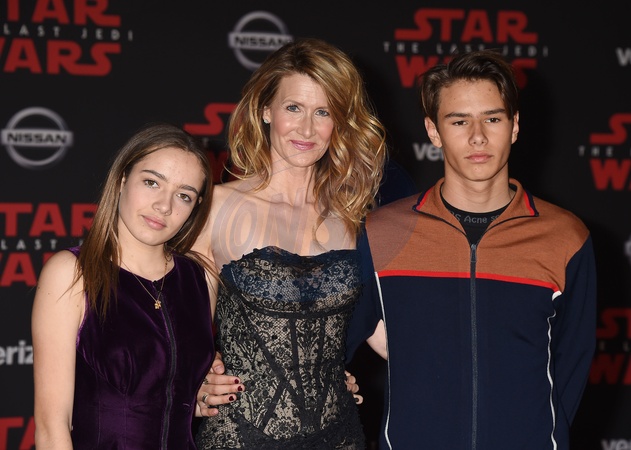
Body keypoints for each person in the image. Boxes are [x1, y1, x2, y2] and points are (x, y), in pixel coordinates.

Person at [346, 49, 597, 449]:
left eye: (492, 119)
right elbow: (329, 344)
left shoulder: (565, 237)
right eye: (459, 121)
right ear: (433, 132)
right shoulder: (383, 232)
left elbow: (572, 364)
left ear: (514, 126)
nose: (477, 136)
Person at [193, 38, 387, 448]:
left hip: (339, 436)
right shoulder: (217, 207)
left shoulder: (356, 218)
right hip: (242, 437)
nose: (307, 129)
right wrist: (197, 380)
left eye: (323, 112)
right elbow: (181, 330)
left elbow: (388, 336)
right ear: (266, 110)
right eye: (293, 108)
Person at [32, 123, 216, 449]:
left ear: (194, 208)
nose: (164, 205)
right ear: (121, 181)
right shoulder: (72, 273)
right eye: (151, 182)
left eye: (184, 196)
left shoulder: (200, 278)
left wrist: (201, 392)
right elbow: (51, 426)